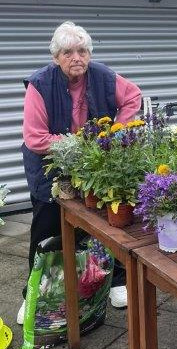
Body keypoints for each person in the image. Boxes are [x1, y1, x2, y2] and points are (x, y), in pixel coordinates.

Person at [19, 21, 142, 324]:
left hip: (94, 164)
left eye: (83, 50)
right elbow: (35, 138)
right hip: (49, 164)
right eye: (68, 52)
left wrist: (116, 132)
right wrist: (78, 143)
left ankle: (116, 281)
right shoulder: (39, 84)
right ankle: (35, 293)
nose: (77, 57)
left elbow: (133, 96)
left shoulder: (102, 76)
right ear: (56, 57)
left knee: (107, 220)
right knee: (47, 227)